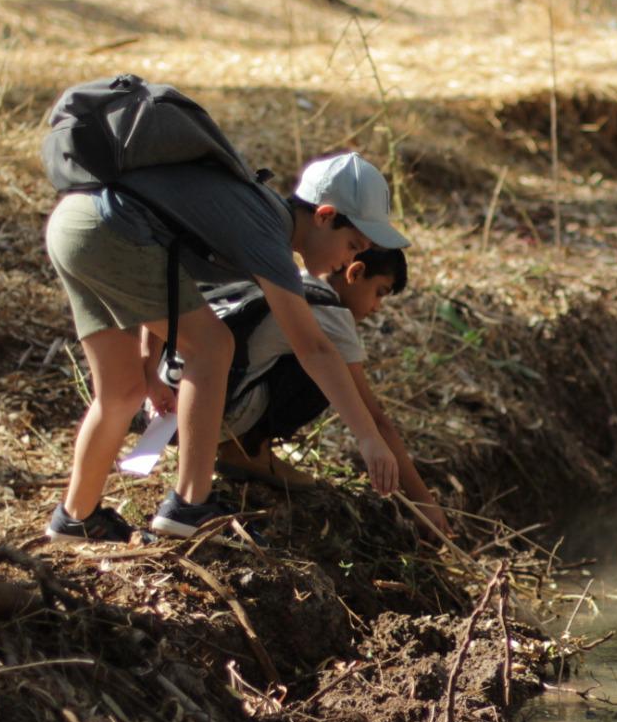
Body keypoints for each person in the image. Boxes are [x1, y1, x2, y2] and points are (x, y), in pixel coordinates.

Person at [43, 151, 405, 545]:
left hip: (76, 222)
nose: (350, 259)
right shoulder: (269, 235)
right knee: (213, 346)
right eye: (353, 245)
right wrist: (368, 438)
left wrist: (149, 364)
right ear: (324, 216)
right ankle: (190, 504)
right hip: (112, 231)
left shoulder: (250, 212)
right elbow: (314, 349)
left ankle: (76, 517)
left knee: (122, 390)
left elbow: (172, 275)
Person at [208, 248, 454, 539]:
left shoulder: (289, 279)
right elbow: (375, 418)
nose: (377, 306)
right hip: (225, 416)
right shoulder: (330, 313)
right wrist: (423, 503)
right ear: (356, 272)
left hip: (188, 408)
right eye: (379, 292)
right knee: (328, 371)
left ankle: (237, 445)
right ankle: (246, 449)